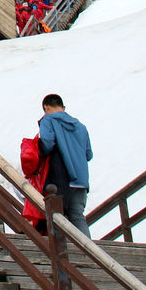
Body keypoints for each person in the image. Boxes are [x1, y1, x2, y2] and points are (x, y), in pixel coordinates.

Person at [38, 93, 93, 237]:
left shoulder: (47, 120)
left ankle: (60, 256)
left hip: (61, 178)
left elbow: (47, 144)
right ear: (63, 107)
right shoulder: (81, 127)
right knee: (78, 217)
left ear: (46, 107)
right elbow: (89, 155)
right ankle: (91, 255)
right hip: (81, 180)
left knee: (57, 217)